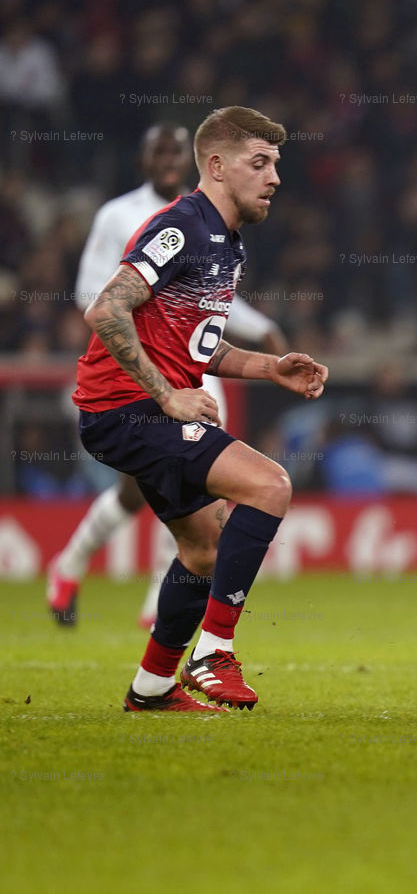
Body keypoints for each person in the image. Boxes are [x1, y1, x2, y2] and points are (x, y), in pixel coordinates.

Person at [75, 106, 328, 712]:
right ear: (216, 166)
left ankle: (152, 688)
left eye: (275, 165)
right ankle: (213, 653)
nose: (274, 178)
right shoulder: (182, 226)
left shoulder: (226, 242)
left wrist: (270, 367)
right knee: (269, 485)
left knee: (203, 550)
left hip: (141, 410)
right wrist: (168, 395)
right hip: (127, 409)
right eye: (259, 163)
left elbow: (196, 346)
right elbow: (105, 309)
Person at [47, 122, 288, 628]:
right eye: (160, 152)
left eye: (176, 152)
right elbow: (97, 297)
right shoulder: (131, 217)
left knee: (186, 494)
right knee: (155, 488)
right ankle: (76, 565)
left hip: (188, 361)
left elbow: (210, 307)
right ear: (144, 160)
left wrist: (265, 342)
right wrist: (155, 357)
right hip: (134, 369)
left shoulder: (223, 229)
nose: (169, 161)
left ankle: (157, 609)